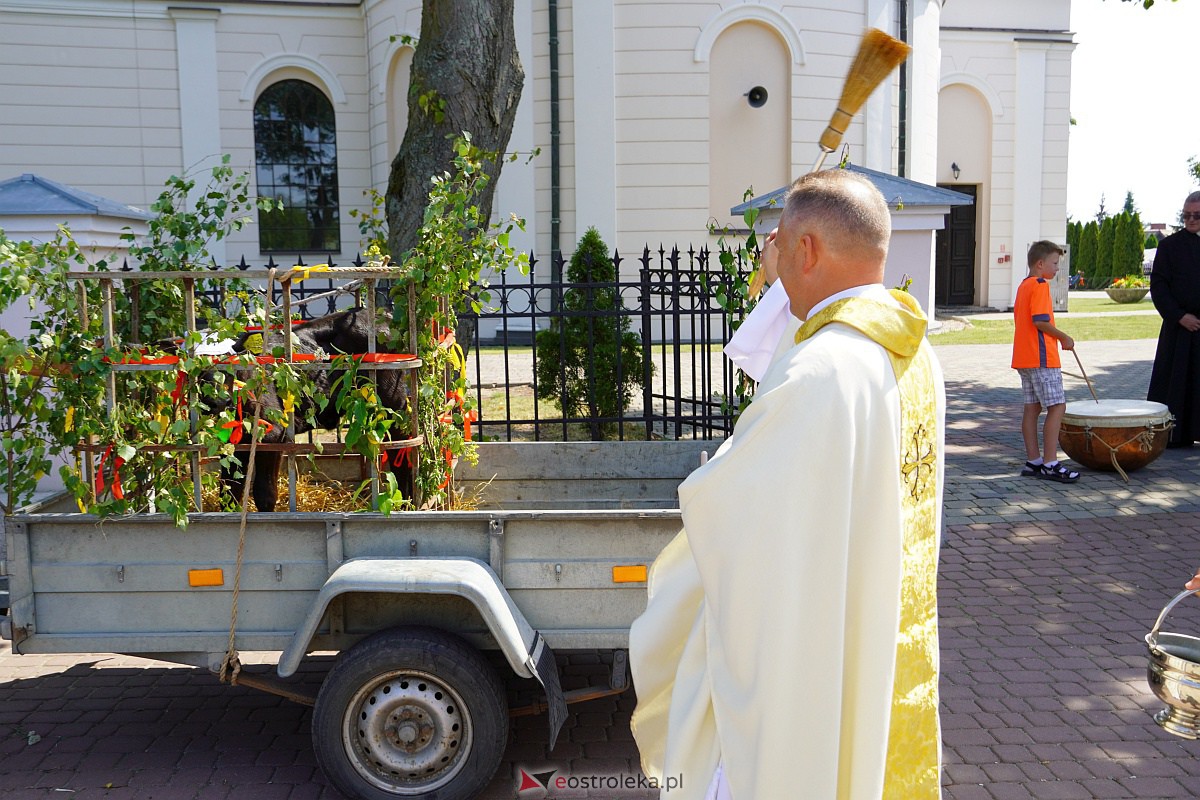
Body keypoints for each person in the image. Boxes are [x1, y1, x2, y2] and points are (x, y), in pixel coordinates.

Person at [629, 168, 946, 799]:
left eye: (780, 243)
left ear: (806, 249)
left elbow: (730, 511)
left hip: (808, 646)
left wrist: (709, 480)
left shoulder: (819, 371)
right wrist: (781, 285)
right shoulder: (912, 352)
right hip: (874, 619)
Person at [1010, 240, 1080, 483]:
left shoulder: (1023, 286)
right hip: (1042, 358)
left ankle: (1034, 461)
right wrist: (1064, 338)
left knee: (1032, 408)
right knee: (1057, 407)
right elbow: (1040, 321)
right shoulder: (1039, 285)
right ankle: (1051, 462)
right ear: (1040, 264)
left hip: (1023, 357)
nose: (1057, 268)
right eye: (1054, 263)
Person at [1147, 191, 1200, 447]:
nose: (1191, 220)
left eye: (1196, 216)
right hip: (1179, 328)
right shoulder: (1169, 246)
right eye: (1186, 215)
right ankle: (1174, 434)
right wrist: (1179, 316)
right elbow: (1158, 286)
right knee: (1176, 383)